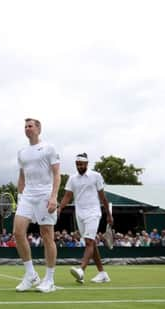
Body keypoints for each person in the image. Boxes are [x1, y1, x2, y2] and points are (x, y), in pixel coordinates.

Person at [13, 118, 61, 293]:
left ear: (38, 129)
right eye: (25, 126)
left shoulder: (49, 148)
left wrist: (54, 197)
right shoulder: (22, 152)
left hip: (45, 194)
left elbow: (57, 174)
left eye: (30, 126)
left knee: (47, 235)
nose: (27, 129)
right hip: (27, 196)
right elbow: (21, 177)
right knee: (18, 233)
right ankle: (31, 274)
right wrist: (19, 196)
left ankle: (49, 279)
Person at [57, 153, 113, 284]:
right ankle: (102, 273)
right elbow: (67, 196)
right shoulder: (72, 179)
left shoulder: (96, 176)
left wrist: (109, 215)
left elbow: (102, 197)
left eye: (81, 164)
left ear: (87, 164)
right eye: (77, 164)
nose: (79, 166)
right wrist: (60, 208)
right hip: (79, 214)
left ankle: (81, 270)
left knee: (88, 242)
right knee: (91, 243)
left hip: (93, 213)